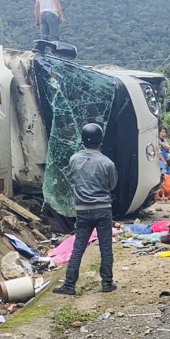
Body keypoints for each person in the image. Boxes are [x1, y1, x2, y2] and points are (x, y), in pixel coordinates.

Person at [54, 123, 118, 295]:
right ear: (100, 141)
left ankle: (69, 285)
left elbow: (73, 179)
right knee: (106, 247)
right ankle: (107, 282)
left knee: (78, 248)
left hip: (82, 210)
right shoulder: (108, 163)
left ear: (82, 140)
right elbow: (112, 185)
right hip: (103, 209)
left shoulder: (74, 159)